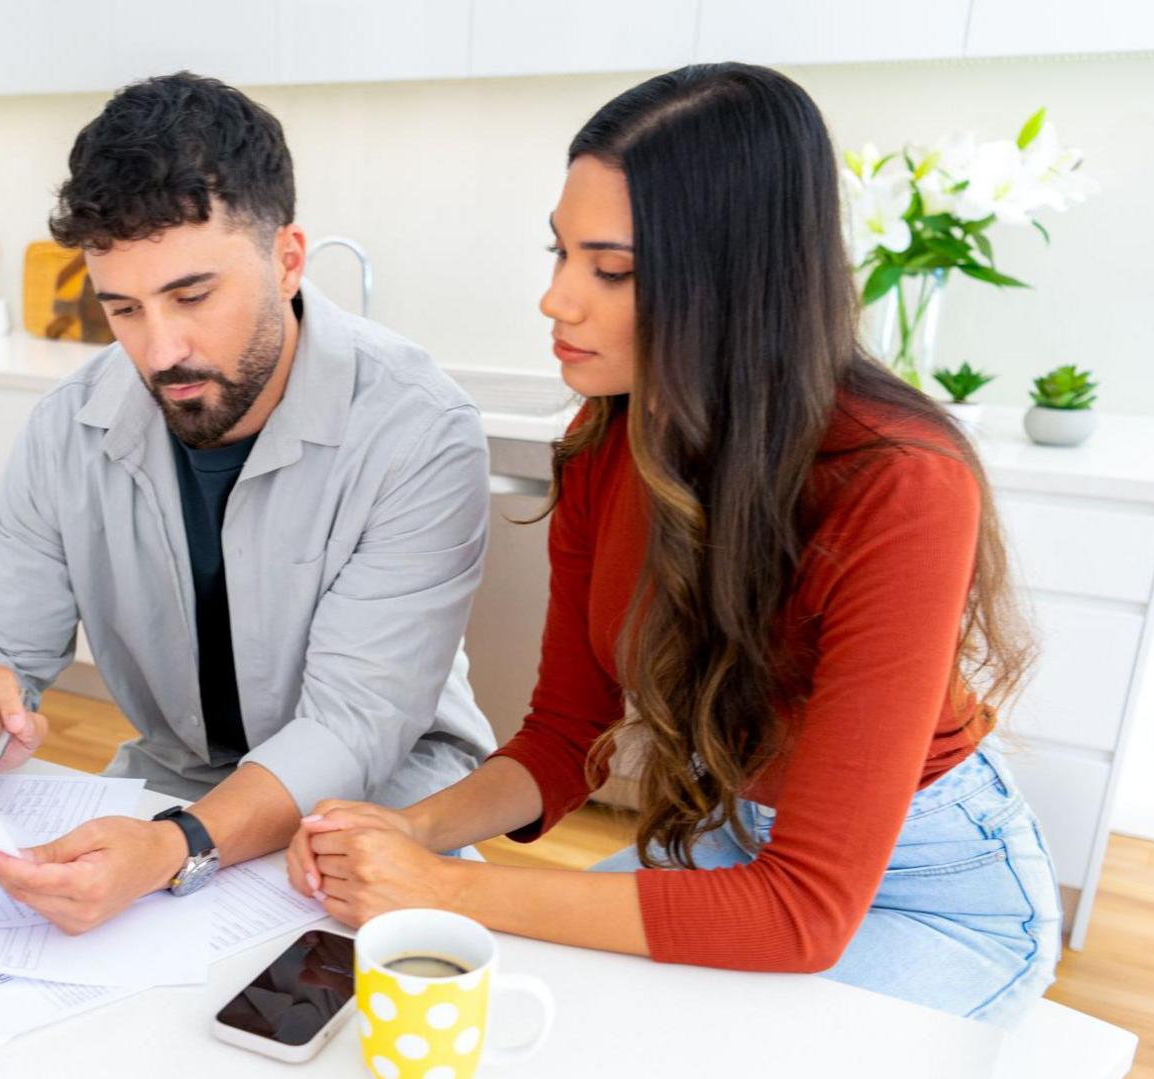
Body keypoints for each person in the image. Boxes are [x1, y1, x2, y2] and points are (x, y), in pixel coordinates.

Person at [286, 62, 1063, 1023]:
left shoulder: (898, 482)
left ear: (737, 285)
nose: (558, 301)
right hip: (739, 847)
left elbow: (802, 915)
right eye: (560, 254)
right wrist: (408, 827)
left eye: (611, 270)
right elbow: (567, 736)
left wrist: (441, 886)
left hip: (932, 892)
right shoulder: (609, 436)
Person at [0, 72, 495, 935]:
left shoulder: (420, 431)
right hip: (175, 786)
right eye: (123, 309)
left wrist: (173, 847)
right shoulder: (65, 430)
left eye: (193, 296)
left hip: (384, 800)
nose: (161, 350)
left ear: (288, 258)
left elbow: (350, 725)